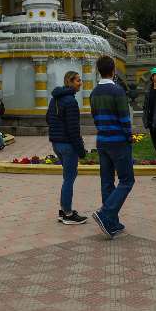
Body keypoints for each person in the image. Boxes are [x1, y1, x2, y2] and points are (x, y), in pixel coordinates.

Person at [89, 55, 134, 239]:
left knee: (107, 181)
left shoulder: (93, 93)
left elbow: (94, 116)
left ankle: (112, 222)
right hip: (118, 141)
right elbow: (124, 118)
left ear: (99, 71)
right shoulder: (117, 91)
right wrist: (129, 136)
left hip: (102, 140)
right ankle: (106, 213)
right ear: (113, 70)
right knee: (127, 180)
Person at [47, 71, 88, 225]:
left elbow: (48, 118)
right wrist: (81, 150)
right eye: (78, 80)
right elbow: (73, 129)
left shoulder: (55, 99)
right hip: (68, 145)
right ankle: (68, 213)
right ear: (69, 82)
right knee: (69, 178)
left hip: (56, 143)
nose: (80, 83)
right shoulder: (70, 101)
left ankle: (64, 210)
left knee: (67, 177)